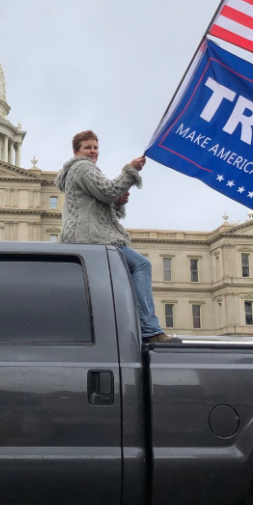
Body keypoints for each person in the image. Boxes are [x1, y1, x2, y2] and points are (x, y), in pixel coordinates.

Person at [56, 130, 176, 344]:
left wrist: (117, 203)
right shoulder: (83, 167)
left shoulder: (74, 172)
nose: (93, 151)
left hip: (82, 236)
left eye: (95, 147)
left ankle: (128, 328)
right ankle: (149, 330)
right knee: (141, 266)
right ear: (76, 152)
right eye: (88, 147)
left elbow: (99, 203)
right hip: (93, 237)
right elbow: (108, 191)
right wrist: (130, 171)